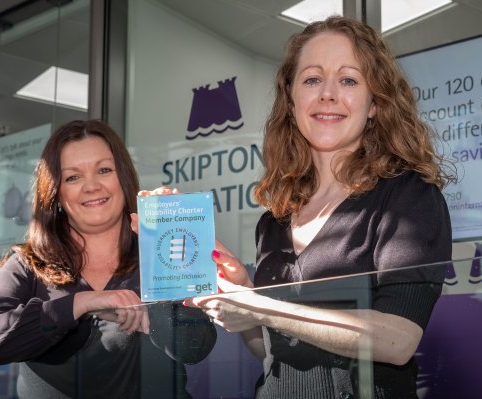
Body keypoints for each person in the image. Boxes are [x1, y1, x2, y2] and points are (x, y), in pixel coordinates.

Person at [183, 15, 455, 399]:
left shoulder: (407, 199)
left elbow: (397, 340)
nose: (328, 94)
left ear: (374, 103)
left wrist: (260, 307)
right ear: (292, 99)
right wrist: (243, 297)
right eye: (312, 79)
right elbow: (270, 351)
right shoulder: (273, 221)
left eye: (349, 80)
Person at [0, 119, 216, 398]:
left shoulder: (159, 253)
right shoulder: (28, 263)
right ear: (55, 193)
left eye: (104, 170)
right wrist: (80, 304)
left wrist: (172, 231)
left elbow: (196, 347)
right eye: (73, 177)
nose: (92, 186)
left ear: (123, 178)